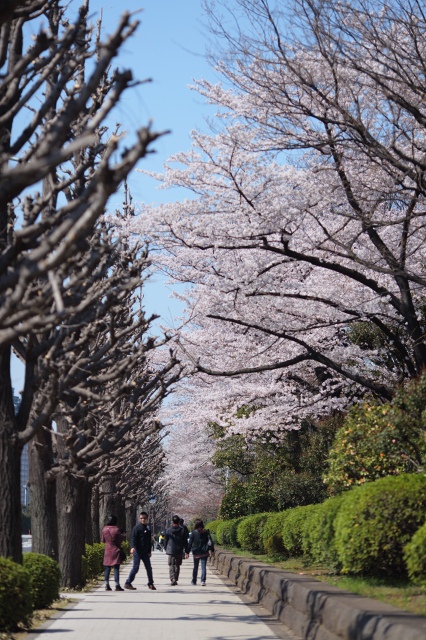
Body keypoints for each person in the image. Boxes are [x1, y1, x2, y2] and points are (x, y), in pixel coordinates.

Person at [124, 511, 156, 590]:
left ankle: (150, 583)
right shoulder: (137, 528)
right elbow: (133, 538)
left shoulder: (148, 528)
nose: (143, 520)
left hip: (145, 552)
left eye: (144, 518)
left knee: (149, 567)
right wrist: (132, 547)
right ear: (139, 519)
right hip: (138, 551)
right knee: (136, 568)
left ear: (147, 519)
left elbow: (148, 540)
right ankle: (128, 582)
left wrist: (149, 551)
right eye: (141, 518)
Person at [187, 519, 214, 586]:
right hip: (204, 552)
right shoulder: (206, 532)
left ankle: (194, 581)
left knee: (195, 567)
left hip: (196, 552)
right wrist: (212, 550)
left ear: (196, 525)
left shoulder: (193, 533)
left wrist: (187, 552)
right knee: (203, 567)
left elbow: (190, 543)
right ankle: (203, 581)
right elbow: (210, 542)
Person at [101, 515, 124, 591]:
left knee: (107, 568)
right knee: (116, 568)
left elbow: (103, 540)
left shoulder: (104, 529)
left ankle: (106, 584)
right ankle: (117, 585)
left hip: (107, 550)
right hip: (115, 550)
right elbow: (119, 541)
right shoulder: (117, 529)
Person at [164, 515, 189, 586]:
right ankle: (176, 578)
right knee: (177, 565)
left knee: (171, 564)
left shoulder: (168, 530)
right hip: (179, 550)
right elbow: (185, 541)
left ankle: (172, 579)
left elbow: (166, 540)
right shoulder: (182, 530)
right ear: (179, 522)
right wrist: (187, 551)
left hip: (171, 550)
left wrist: (165, 547)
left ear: (172, 521)